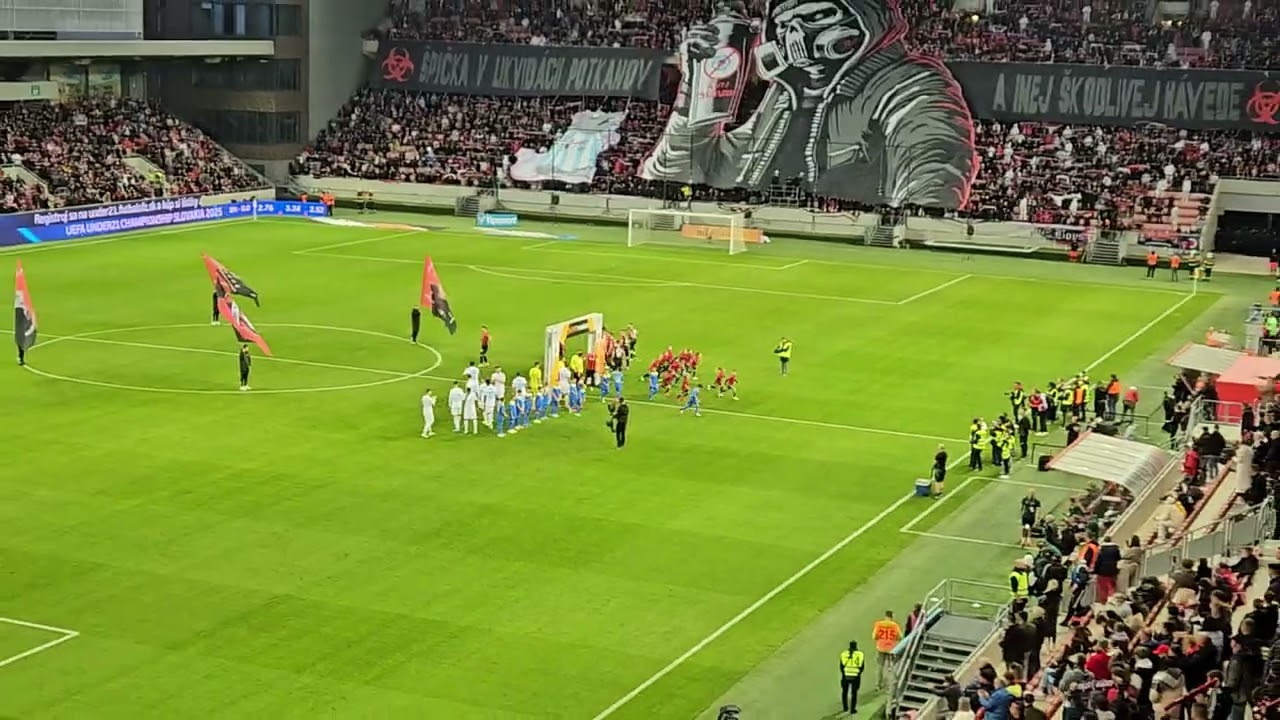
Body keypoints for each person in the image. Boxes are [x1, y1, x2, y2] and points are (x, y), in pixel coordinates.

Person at [872, 611, 902, 690]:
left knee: (880, 667)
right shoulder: (895, 625)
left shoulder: (879, 624)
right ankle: (890, 684)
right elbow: (900, 637)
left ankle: (878, 685)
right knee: (891, 667)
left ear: (885, 616)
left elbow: (874, 636)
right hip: (891, 649)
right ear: (891, 617)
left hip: (881, 648)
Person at [839, 640, 865, 714]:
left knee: (844, 692)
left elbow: (841, 666)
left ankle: (845, 707)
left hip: (846, 675)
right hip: (855, 676)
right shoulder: (860, 654)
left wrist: (844, 674)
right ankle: (852, 709)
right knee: (854, 693)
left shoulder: (843, 654)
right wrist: (858, 673)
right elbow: (862, 667)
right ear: (856, 646)